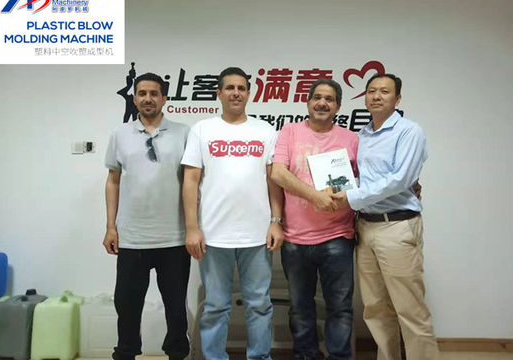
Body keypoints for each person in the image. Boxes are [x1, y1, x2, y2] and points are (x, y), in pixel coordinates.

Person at [333, 73, 439, 360]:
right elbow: (362, 178)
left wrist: (350, 197)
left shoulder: (409, 131)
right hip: (365, 227)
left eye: (384, 91)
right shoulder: (363, 135)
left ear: (398, 98)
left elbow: (400, 179)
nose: (376, 96)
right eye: (371, 91)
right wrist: (338, 189)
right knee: (376, 308)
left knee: (410, 309)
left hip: (397, 226)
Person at [181, 67, 284, 360]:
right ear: (219, 93)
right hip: (213, 235)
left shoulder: (265, 131)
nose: (235, 93)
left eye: (241, 88)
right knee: (215, 306)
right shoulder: (202, 129)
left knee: (259, 304)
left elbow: (273, 181)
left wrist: (276, 221)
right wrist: (192, 227)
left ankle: (259, 357)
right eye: (229, 88)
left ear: (249, 94)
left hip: (257, 234)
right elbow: (190, 181)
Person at [103, 72, 191, 360]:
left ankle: (177, 353)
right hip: (132, 237)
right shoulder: (120, 135)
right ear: (134, 98)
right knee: (127, 306)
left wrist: (194, 227)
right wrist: (111, 227)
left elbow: (192, 182)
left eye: (154, 93)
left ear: (164, 98)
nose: (148, 99)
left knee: (176, 308)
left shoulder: (184, 133)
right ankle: (126, 353)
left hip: (174, 237)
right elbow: (113, 181)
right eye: (142, 93)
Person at [270, 79, 358, 360]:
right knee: (299, 308)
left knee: (340, 308)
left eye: (329, 99)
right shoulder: (290, 131)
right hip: (295, 239)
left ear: (338, 106)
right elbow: (278, 174)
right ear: (308, 102)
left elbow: (363, 181)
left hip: (338, 236)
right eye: (317, 97)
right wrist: (315, 196)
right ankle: (305, 355)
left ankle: (339, 357)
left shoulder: (351, 139)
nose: (322, 103)